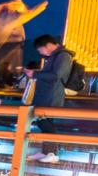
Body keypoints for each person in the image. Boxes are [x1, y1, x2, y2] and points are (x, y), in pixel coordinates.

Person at [25, 34, 76, 162]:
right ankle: (46, 152)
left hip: (52, 96)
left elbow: (56, 75)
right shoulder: (56, 56)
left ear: (48, 45)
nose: (40, 52)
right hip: (47, 95)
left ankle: (53, 153)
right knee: (43, 122)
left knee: (46, 123)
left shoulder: (63, 56)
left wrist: (35, 74)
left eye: (40, 49)